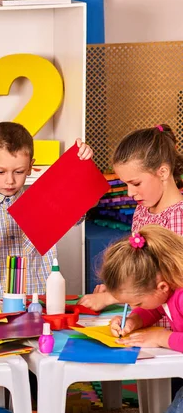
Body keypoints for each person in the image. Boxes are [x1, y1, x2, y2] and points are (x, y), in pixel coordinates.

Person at [0, 122, 92, 301]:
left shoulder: (42, 203)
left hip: (37, 306)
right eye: (0, 171)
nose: (10, 180)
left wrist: (83, 162)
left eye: (18, 171)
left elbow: (81, 202)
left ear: (30, 167)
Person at [79, 124, 183, 318]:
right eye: (125, 184)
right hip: (145, 320)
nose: (130, 192)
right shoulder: (142, 210)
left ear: (162, 172)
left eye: (135, 183)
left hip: (174, 330)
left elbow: (170, 283)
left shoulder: (179, 217)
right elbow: (139, 270)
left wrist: (113, 297)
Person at [101, 225, 183, 351]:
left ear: (162, 287)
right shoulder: (166, 290)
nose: (133, 307)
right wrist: (134, 320)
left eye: (138, 303)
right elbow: (155, 309)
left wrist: (160, 338)